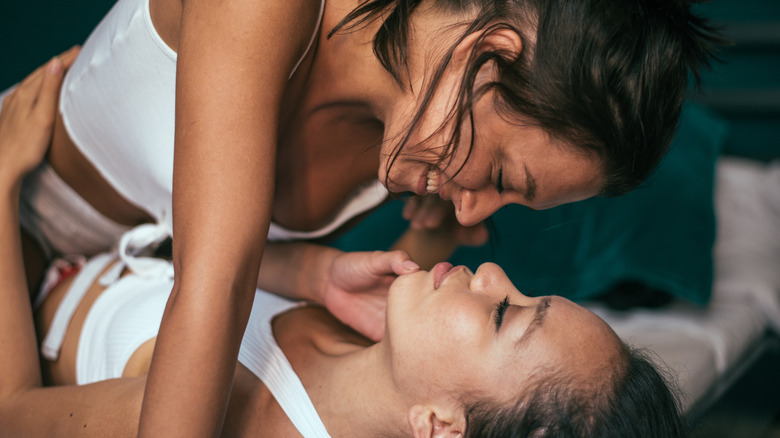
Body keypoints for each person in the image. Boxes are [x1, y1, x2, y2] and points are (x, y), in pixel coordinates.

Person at [3, 0, 723, 435]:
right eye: (504, 177)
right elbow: (212, 283)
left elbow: (177, 250)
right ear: (490, 54)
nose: (470, 210)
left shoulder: (406, 140)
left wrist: (311, 271)